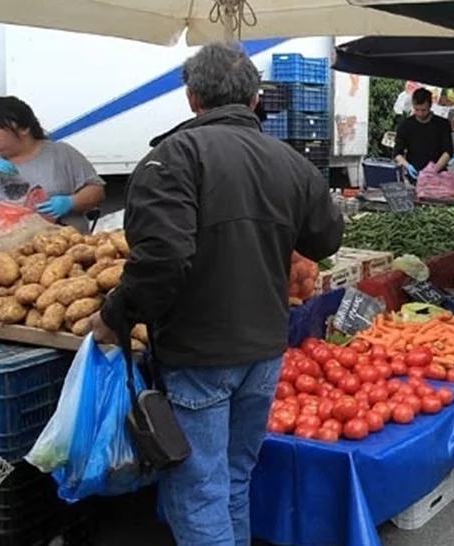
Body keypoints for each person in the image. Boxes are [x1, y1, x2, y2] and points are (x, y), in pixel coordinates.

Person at [89, 43, 344, 545]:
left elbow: (161, 257)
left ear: (191, 98)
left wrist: (115, 316)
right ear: (254, 99)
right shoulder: (289, 161)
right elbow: (325, 240)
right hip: (265, 349)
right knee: (232, 479)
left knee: (200, 487)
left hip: (200, 350)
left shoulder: (172, 157)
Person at [0, 96, 105, 231]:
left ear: (24, 128)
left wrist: (71, 202)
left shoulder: (61, 154)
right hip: (1, 249)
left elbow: (96, 191)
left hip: (61, 242)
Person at [393, 88, 453, 180]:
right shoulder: (405, 125)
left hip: (438, 176)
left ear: (430, 106)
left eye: (424, 110)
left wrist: (435, 169)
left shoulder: (442, 124)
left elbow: (448, 151)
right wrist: (408, 167)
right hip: (415, 175)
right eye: (417, 109)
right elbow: (397, 153)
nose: (420, 113)